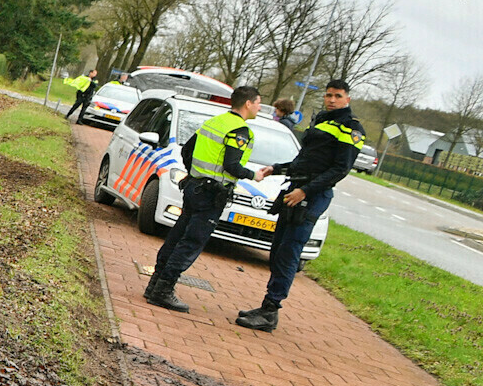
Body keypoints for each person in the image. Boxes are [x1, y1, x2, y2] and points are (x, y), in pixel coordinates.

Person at [236, 79, 366, 332]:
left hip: (311, 195)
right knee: (278, 249)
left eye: (338, 96)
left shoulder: (351, 128)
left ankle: (270, 311)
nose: (332, 100)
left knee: (289, 252)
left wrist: (305, 191)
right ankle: (267, 307)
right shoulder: (322, 121)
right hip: (296, 189)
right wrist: (277, 169)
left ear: (347, 99)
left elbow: (340, 169)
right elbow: (305, 160)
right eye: (328, 95)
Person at [144, 84, 262, 312]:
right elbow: (232, 165)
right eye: (258, 103)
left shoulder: (215, 122)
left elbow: (186, 150)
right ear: (248, 103)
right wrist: (253, 175)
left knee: (177, 236)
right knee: (191, 242)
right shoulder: (240, 131)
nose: (259, 107)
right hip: (211, 195)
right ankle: (163, 290)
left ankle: (154, 284)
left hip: (194, 188)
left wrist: (195, 174)